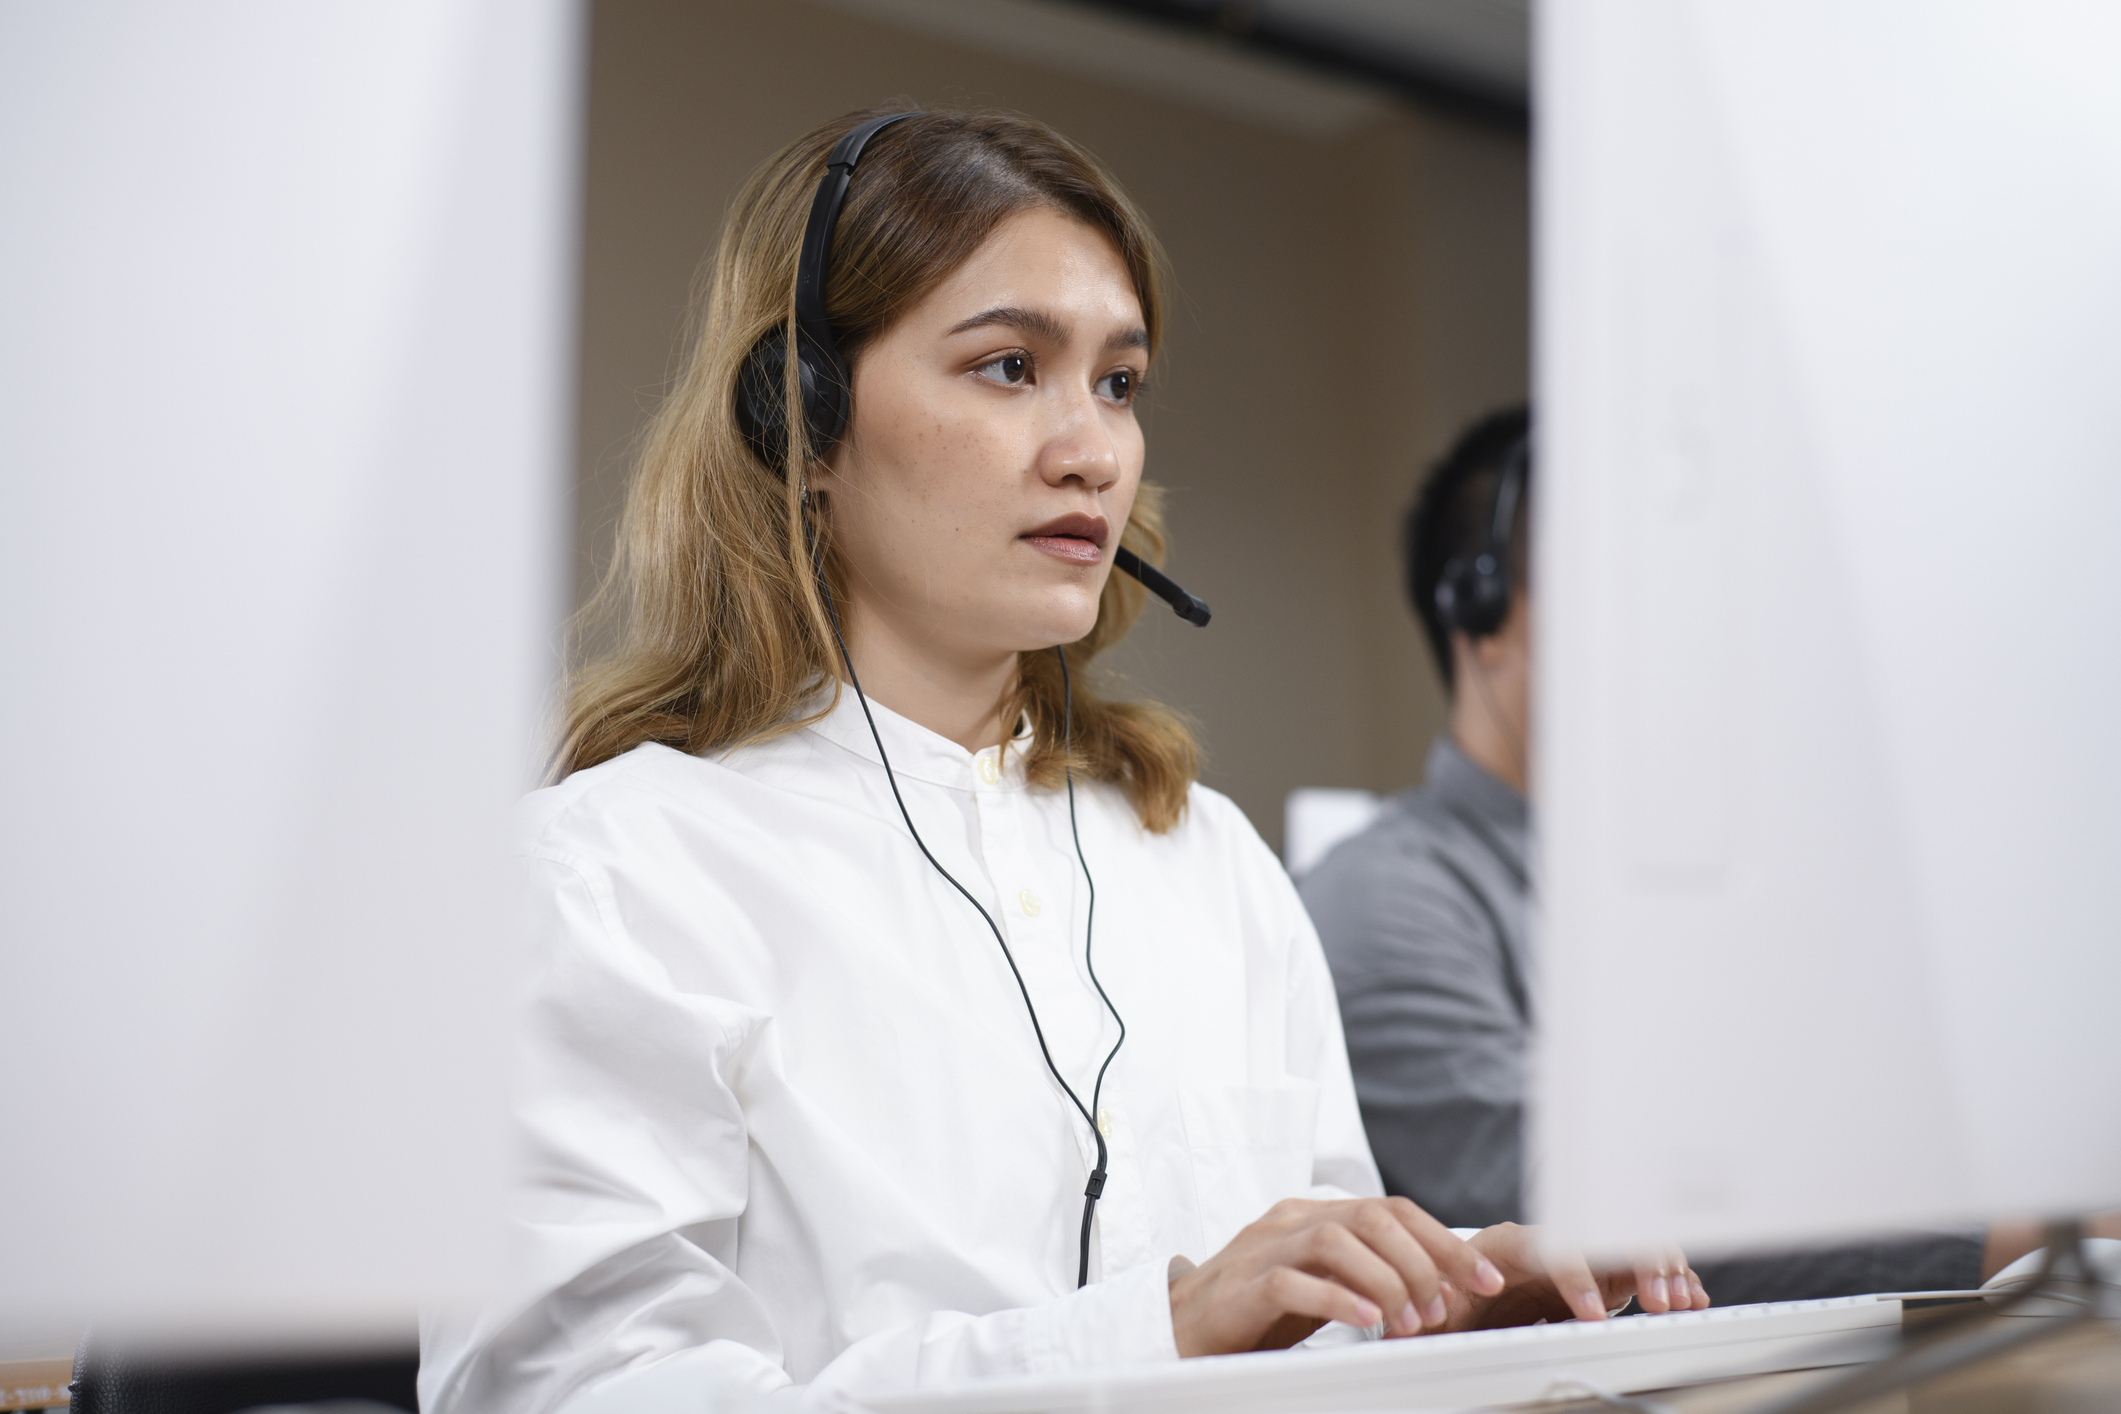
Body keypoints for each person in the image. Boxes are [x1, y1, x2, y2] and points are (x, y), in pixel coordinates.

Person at [418, 114, 1708, 1414]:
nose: (1091, 448)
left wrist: (1445, 1325)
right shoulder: (614, 871)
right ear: (799, 417)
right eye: (1009, 366)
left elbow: (1317, 1356)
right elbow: (570, 1393)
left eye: (1119, 383)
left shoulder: (1207, 857)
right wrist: (1157, 1333)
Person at [1299, 407, 2066, 1303]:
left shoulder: (1721, 890)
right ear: (1482, 612)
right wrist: (2029, 1239)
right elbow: (1614, 1213)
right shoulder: (1384, 895)